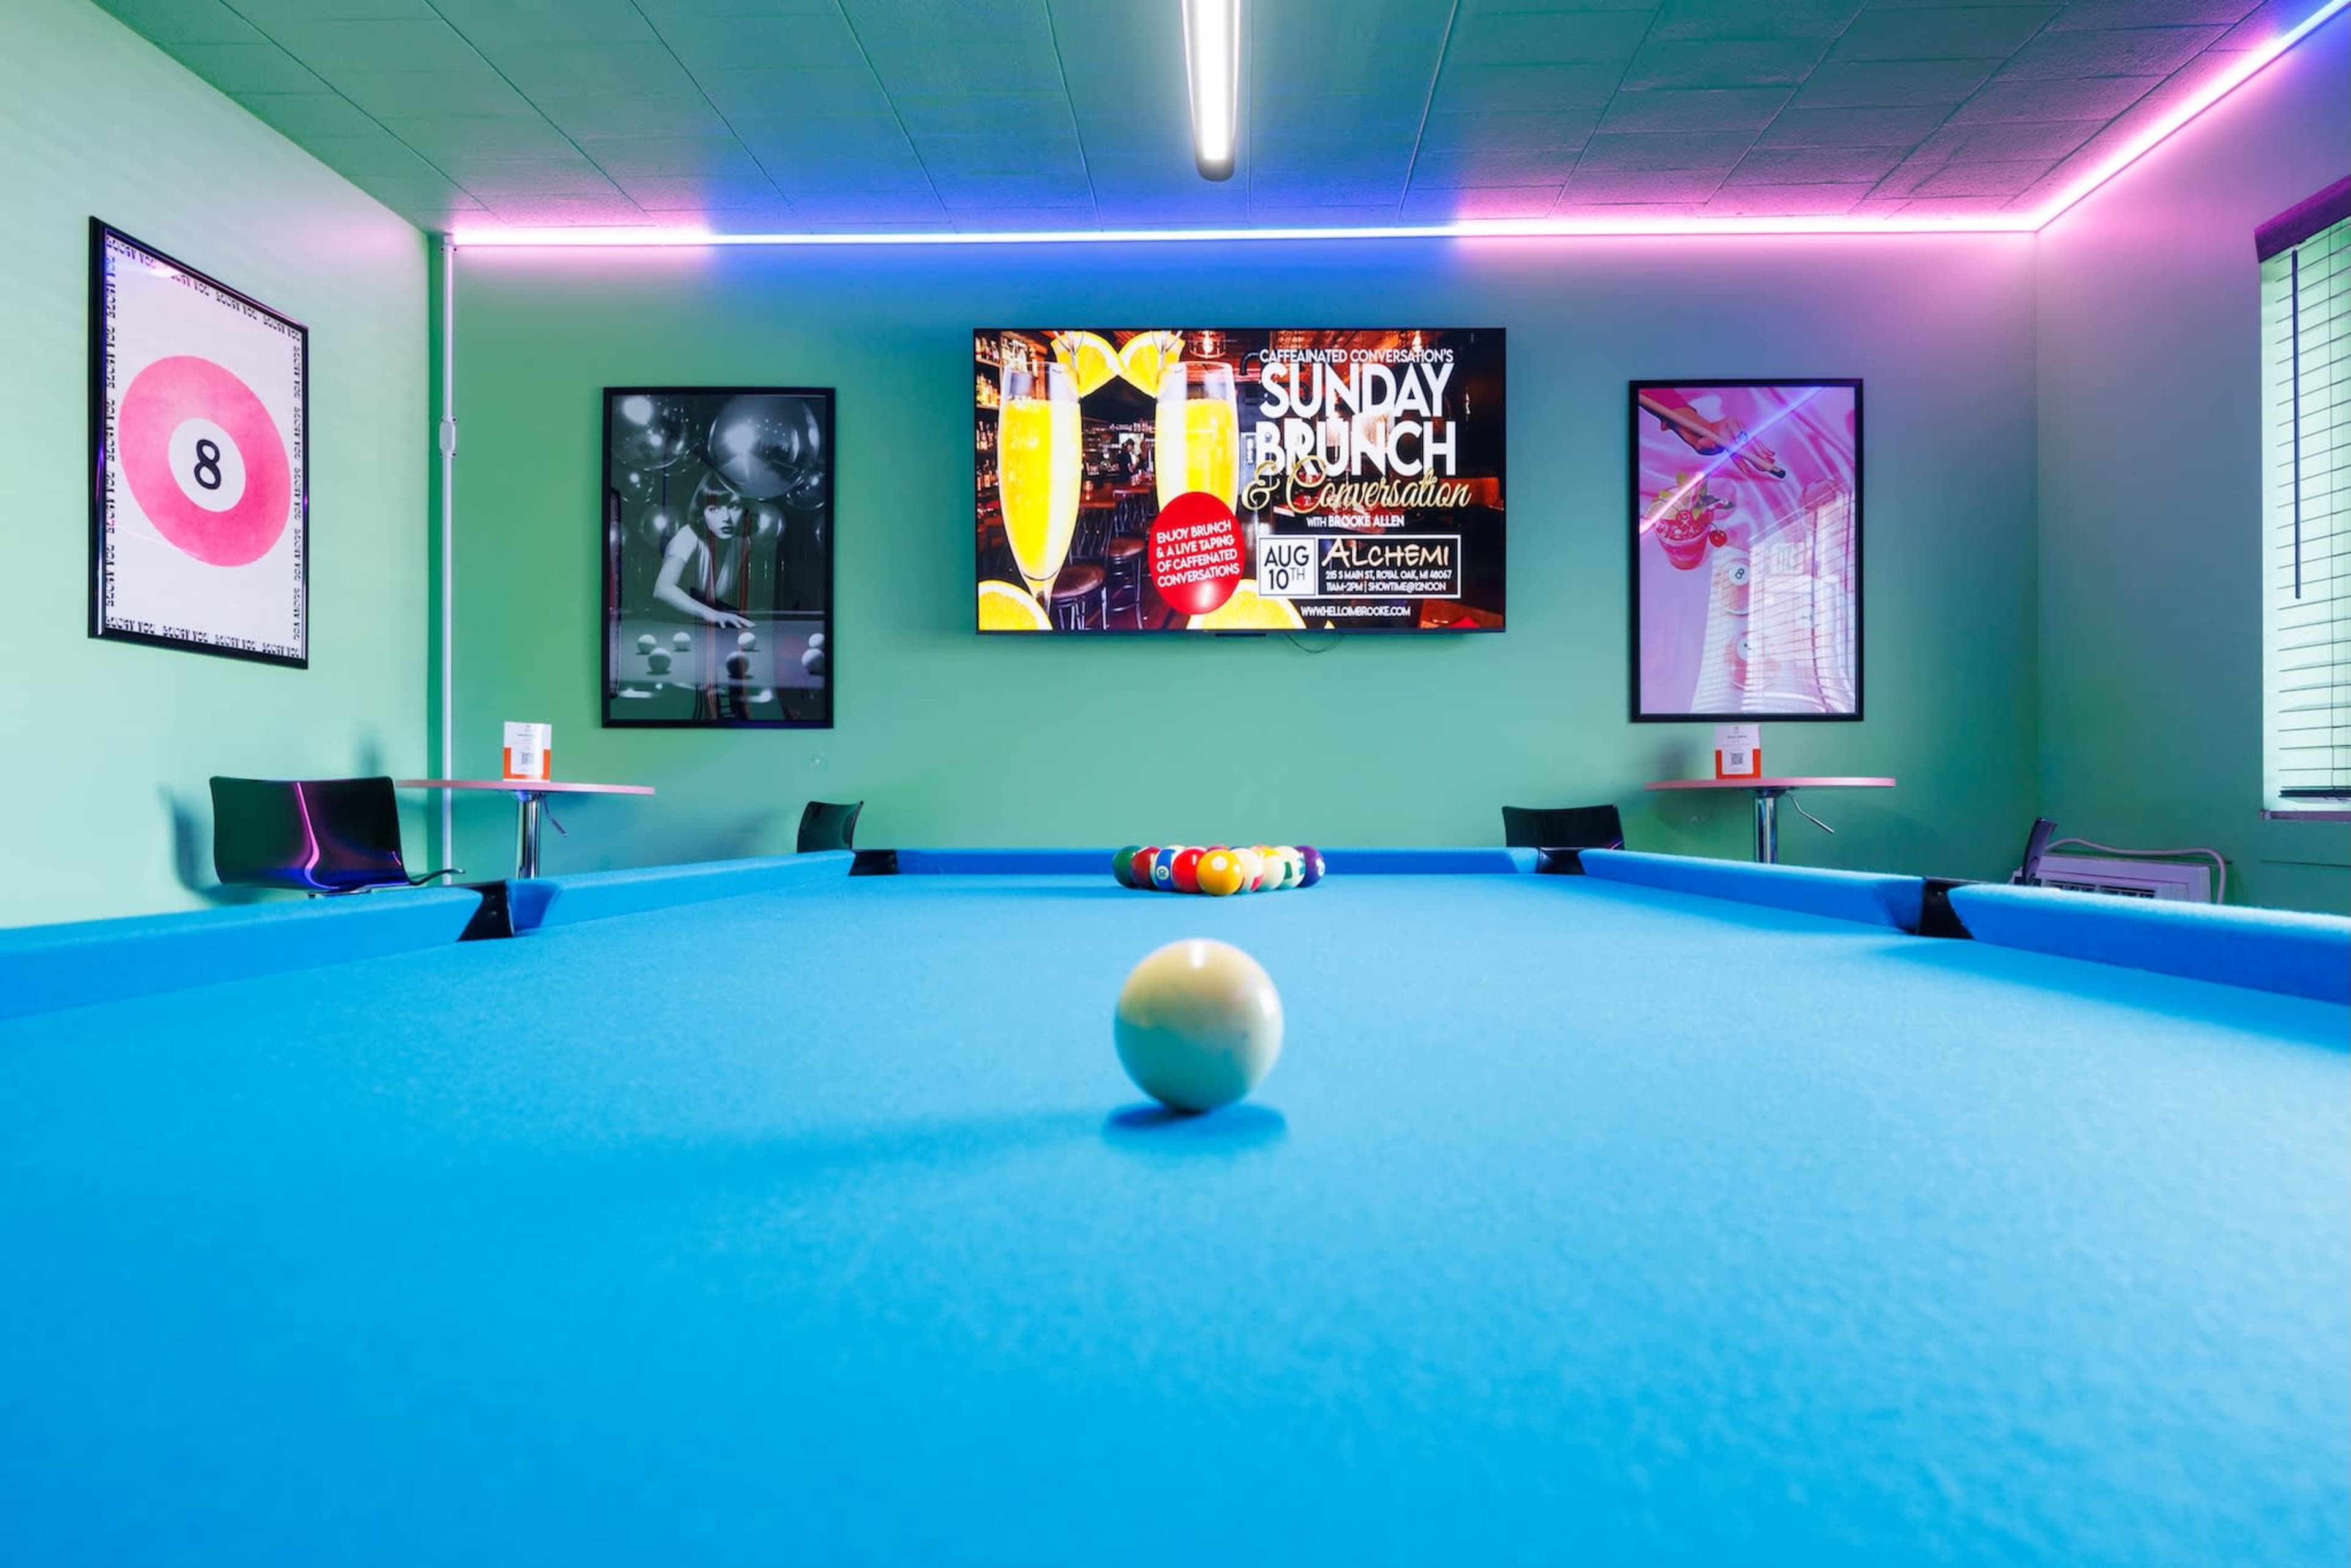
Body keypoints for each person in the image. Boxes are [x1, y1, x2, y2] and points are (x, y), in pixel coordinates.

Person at [653, 478, 755, 631]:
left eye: (733, 506)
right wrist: (712, 614)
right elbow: (662, 589)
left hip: (709, 625)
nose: (726, 518)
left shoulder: (743, 542)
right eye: (714, 509)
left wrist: (718, 614)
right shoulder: (688, 536)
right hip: (669, 625)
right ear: (702, 513)